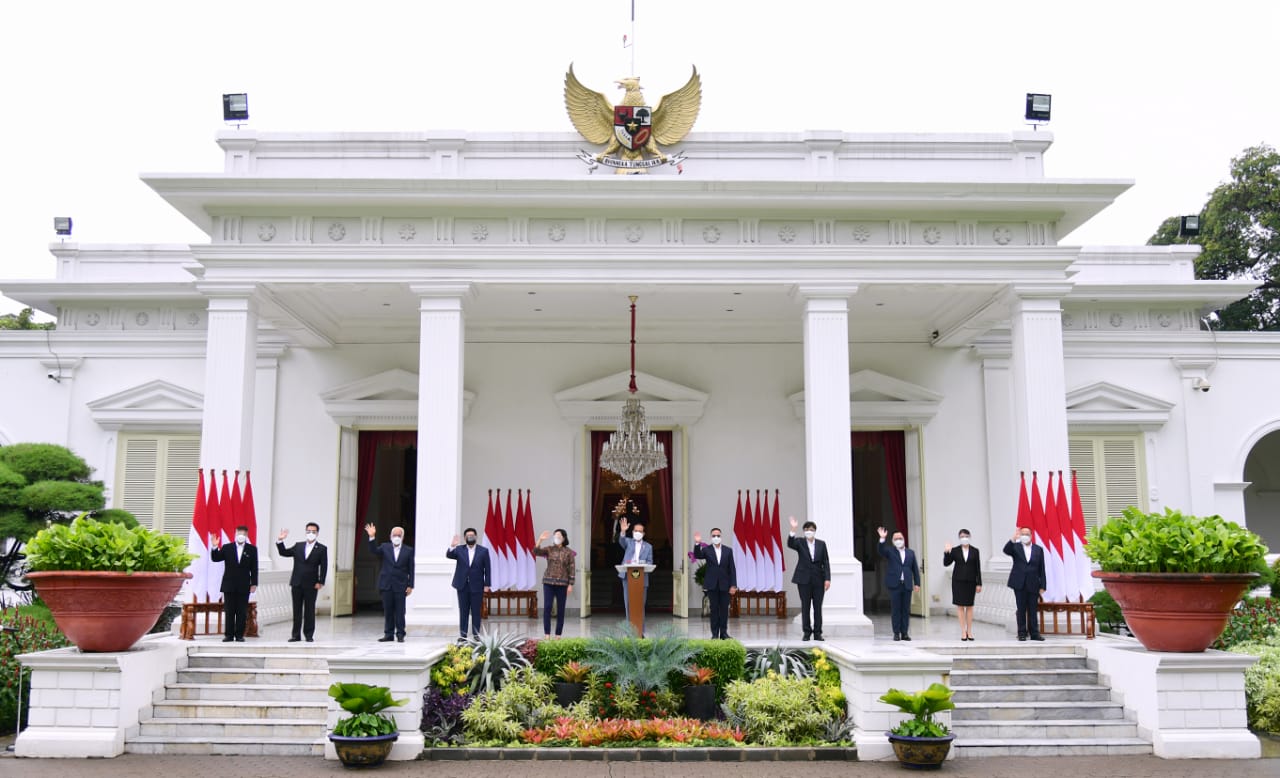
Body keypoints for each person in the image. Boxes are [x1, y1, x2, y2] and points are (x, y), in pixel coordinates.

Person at [276, 522, 328, 642]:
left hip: (311, 584)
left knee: (309, 610)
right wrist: (280, 540)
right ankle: (295, 635)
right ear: (305, 532)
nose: (310, 533)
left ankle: (309, 635)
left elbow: (324, 566)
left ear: (317, 533)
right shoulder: (298, 546)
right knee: (297, 610)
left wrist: (321, 581)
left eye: (313, 532)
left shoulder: (321, 548)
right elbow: (283, 553)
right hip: (297, 582)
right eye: (308, 531)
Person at [365, 523, 414, 642]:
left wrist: (410, 585)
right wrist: (371, 537)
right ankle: (389, 634)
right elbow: (373, 551)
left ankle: (401, 634)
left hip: (401, 585)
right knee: (388, 611)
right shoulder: (385, 547)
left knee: (400, 611)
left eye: (399, 535)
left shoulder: (408, 550)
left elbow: (411, 568)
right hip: (386, 584)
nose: (396, 537)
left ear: (402, 537)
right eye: (394, 535)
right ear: (390, 536)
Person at [209, 525, 258, 643]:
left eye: (243, 534)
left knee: (241, 611)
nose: (241, 536)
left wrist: (254, 583)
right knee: (229, 611)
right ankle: (229, 635)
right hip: (229, 584)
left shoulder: (252, 549)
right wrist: (215, 547)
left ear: (246, 535)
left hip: (244, 584)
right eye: (238, 533)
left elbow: (254, 568)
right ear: (235, 534)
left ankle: (240, 635)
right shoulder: (227, 548)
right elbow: (216, 558)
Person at [786, 516, 831, 641]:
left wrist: (827, 579)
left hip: (818, 579)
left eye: (811, 529)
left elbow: (826, 562)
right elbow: (790, 543)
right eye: (806, 529)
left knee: (817, 607)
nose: (808, 531)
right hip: (803, 579)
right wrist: (793, 529)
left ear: (815, 531)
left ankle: (817, 633)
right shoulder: (800, 542)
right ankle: (806, 632)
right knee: (805, 606)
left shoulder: (822, 544)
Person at [447, 527, 492, 641]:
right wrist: (452, 545)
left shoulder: (483, 551)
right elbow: (449, 555)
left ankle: (476, 635)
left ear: (476, 537)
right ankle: (463, 635)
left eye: (472, 535)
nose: (470, 537)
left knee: (476, 611)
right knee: (463, 611)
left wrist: (487, 585)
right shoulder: (459, 549)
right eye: (468, 536)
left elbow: (488, 569)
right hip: (462, 585)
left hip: (477, 585)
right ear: (465, 538)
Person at [1003, 526, 1047, 641]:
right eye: (1023, 534)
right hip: (1019, 583)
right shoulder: (1016, 547)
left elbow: (1042, 568)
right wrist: (1013, 539)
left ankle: (1035, 633)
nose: (1025, 536)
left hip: (1033, 583)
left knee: (1033, 609)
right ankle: (1022, 633)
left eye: (1027, 534)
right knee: (1021, 609)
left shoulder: (1038, 549)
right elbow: (1006, 550)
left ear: (1031, 536)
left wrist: (1043, 585)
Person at [693, 527, 737, 640]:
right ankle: (714, 634)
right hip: (712, 585)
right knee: (714, 610)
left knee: (723, 610)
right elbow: (698, 555)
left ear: (721, 537)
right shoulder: (707, 550)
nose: (716, 537)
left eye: (718, 535)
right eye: (714, 536)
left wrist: (733, 585)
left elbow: (732, 569)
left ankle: (724, 633)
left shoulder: (728, 550)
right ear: (711, 537)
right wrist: (697, 543)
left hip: (725, 585)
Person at [877, 527, 921, 641]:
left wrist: (917, 583)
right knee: (896, 609)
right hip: (895, 585)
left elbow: (915, 569)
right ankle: (896, 633)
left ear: (904, 539)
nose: (898, 540)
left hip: (906, 584)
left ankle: (905, 633)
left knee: (905, 610)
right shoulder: (890, 551)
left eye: (900, 538)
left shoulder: (910, 553)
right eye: (896, 539)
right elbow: (881, 550)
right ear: (892, 541)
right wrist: (882, 539)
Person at [533, 528, 575, 638]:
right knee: (547, 607)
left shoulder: (568, 552)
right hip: (548, 582)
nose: (556, 538)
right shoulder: (549, 549)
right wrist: (540, 540)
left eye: (559, 536)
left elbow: (572, 568)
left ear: (564, 538)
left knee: (561, 609)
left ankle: (558, 635)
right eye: (555, 536)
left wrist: (571, 584)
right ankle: (547, 634)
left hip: (562, 584)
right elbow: (536, 552)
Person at [942, 529, 982, 641]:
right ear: (959, 538)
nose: (964, 538)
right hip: (958, 581)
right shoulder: (955, 550)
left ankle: (969, 631)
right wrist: (946, 552)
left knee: (969, 606)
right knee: (960, 606)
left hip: (971, 581)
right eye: (962, 536)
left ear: (969, 537)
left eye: (966, 536)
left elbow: (978, 567)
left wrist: (979, 583)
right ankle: (963, 631)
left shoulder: (975, 551)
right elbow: (946, 563)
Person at [616, 517, 653, 632]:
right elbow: (621, 541)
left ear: (643, 533)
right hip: (628, 577)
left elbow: (650, 562)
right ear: (632, 532)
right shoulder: (628, 542)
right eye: (635, 531)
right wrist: (622, 531)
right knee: (628, 604)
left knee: (640, 606)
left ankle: (640, 631)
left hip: (642, 579)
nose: (637, 533)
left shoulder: (648, 547)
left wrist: (642, 564)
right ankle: (630, 631)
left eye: (640, 531)